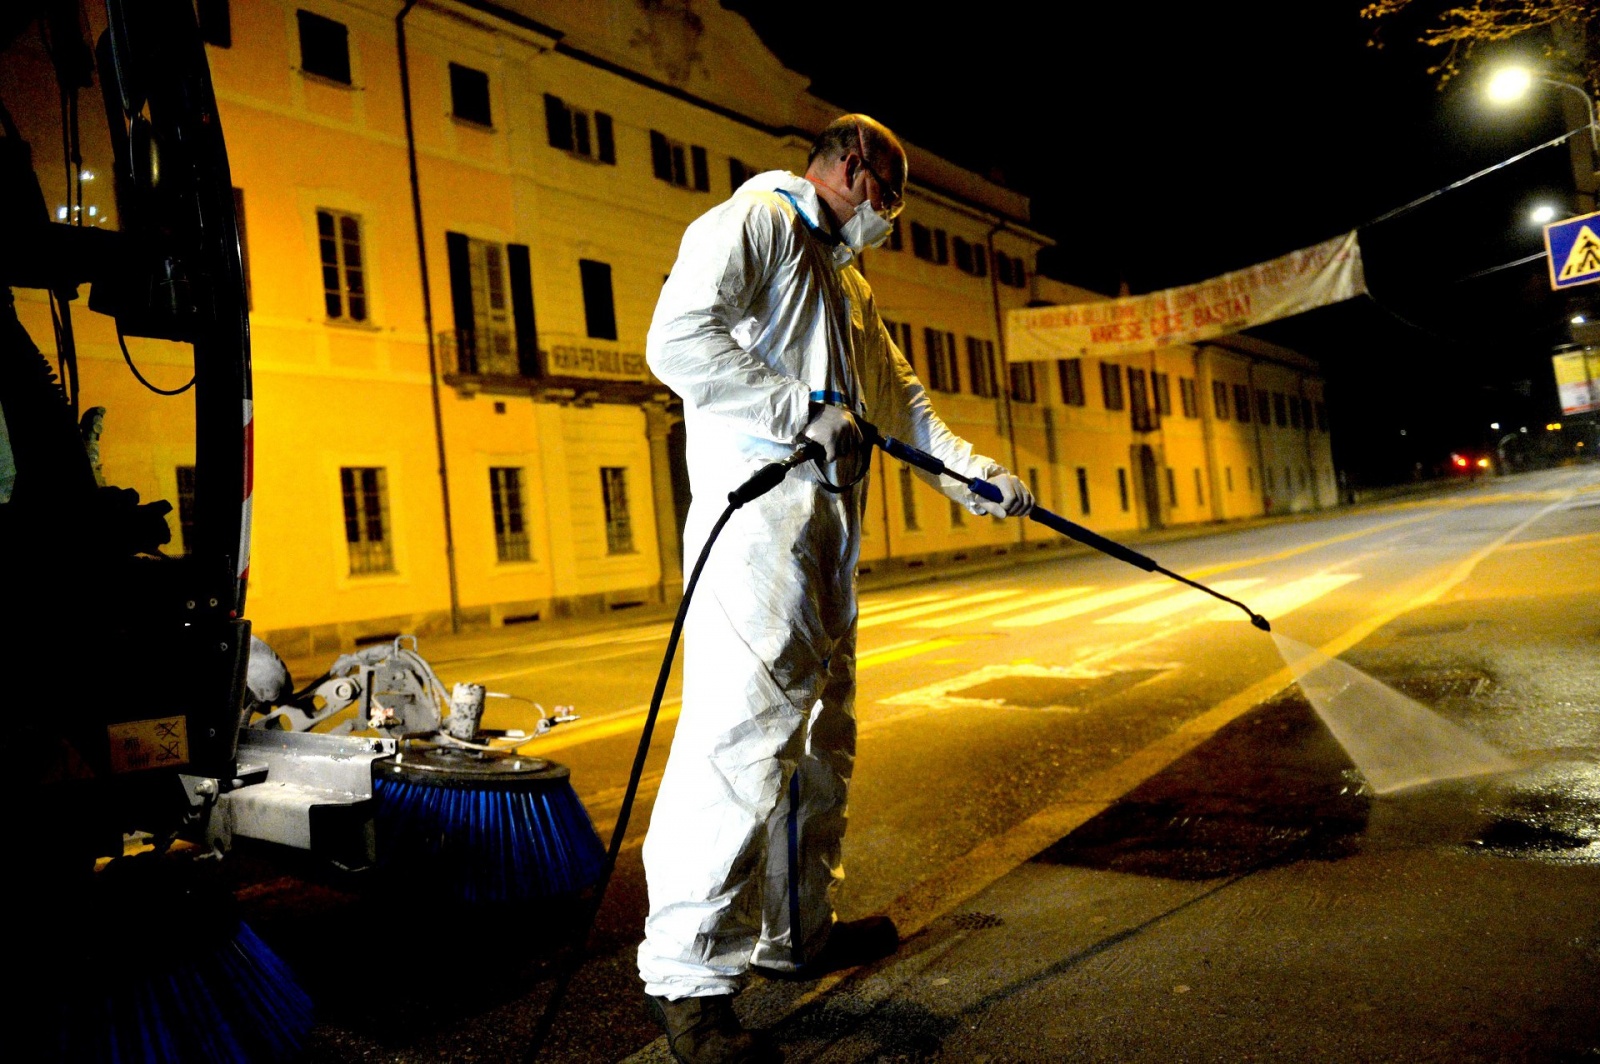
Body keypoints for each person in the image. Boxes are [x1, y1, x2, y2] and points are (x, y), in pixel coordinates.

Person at [638, 114, 1033, 1063]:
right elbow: (677, 343)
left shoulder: (845, 281)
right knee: (738, 749)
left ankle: (797, 935)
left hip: (824, 542)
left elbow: (903, 409)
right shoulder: (754, 224)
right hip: (756, 531)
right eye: (891, 193)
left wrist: (979, 478)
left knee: (820, 744)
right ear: (854, 168)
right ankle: (689, 985)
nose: (892, 213)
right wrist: (801, 409)